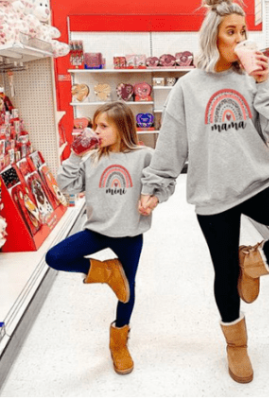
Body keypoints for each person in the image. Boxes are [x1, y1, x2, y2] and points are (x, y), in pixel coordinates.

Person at [139, 0, 269, 384]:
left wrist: (262, 81)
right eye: (231, 31)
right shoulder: (187, 87)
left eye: (243, 31)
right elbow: (172, 143)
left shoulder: (249, 80)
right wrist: (156, 187)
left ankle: (255, 261)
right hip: (213, 192)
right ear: (214, 37)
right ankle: (236, 345)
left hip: (257, 181)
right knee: (223, 272)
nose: (240, 38)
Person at [46, 101, 173, 375]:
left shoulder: (144, 156)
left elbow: (165, 182)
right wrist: (75, 155)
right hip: (96, 230)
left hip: (129, 234)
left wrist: (153, 198)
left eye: (103, 126)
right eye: (94, 125)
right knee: (55, 257)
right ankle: (106, 272)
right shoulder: (91, 158)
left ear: (122, 127)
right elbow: (66, 186)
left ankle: (119, 343)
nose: (96, 131)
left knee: (127, 291)